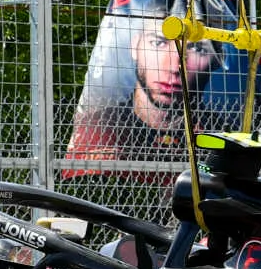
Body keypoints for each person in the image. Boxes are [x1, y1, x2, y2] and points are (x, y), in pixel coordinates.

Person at [65, 23, 220, 166]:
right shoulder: (97, 127)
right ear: (135, 45)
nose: (174, 67)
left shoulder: (222, 133)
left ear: (217, 59)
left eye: (197, 49)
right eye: (158, 43)